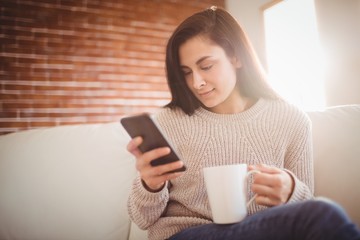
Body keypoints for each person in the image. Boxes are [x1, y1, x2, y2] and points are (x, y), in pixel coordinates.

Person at [126, 6, 360, 240]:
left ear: (236, 56)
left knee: (318, 214)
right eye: (186, 72)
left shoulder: (290, 119)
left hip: (262, 230)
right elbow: (142, 219)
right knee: (323, 213)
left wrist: (291, 191)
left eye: (206, 66)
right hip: (187, 234)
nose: (196, 83)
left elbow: (303, 208)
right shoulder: (169, 121)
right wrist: (150, 185)